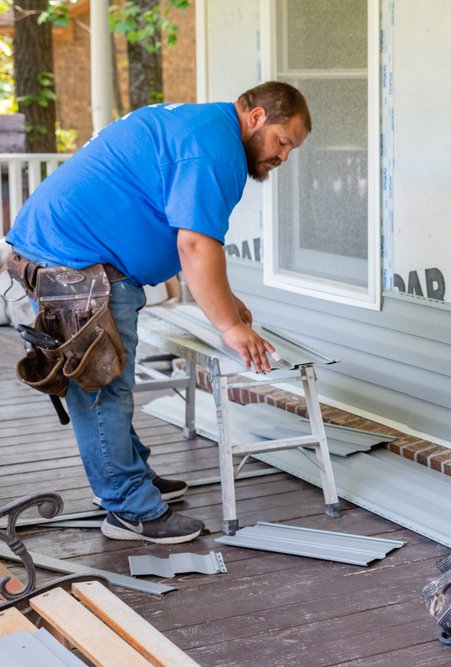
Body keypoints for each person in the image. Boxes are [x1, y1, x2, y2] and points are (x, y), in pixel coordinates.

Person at [5, 81, 311, 544]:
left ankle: (129, 478)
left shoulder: (202, 128)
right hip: (78, 264)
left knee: (111, 376)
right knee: (100, 386)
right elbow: (194, 244)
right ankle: (129, 507)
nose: (283, 157)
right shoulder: (214, 148)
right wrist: (228, 325)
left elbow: (187, 237)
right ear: (256, 118)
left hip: (76, 256)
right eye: (283, 142)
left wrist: (225, 303)